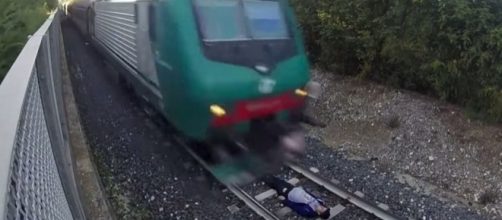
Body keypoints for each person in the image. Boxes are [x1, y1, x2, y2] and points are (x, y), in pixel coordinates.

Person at [262, 176, 331, 219]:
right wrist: (303, 190)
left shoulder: (308, 212)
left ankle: (262, 176)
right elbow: (311, 195)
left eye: (322, 209)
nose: (322, 207)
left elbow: (295, 207)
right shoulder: (320, 202)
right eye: (324, 207)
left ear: (319, 213)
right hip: (294, 189)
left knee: (275, 183)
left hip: (288, 193)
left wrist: (284, 200)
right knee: (279, 181)